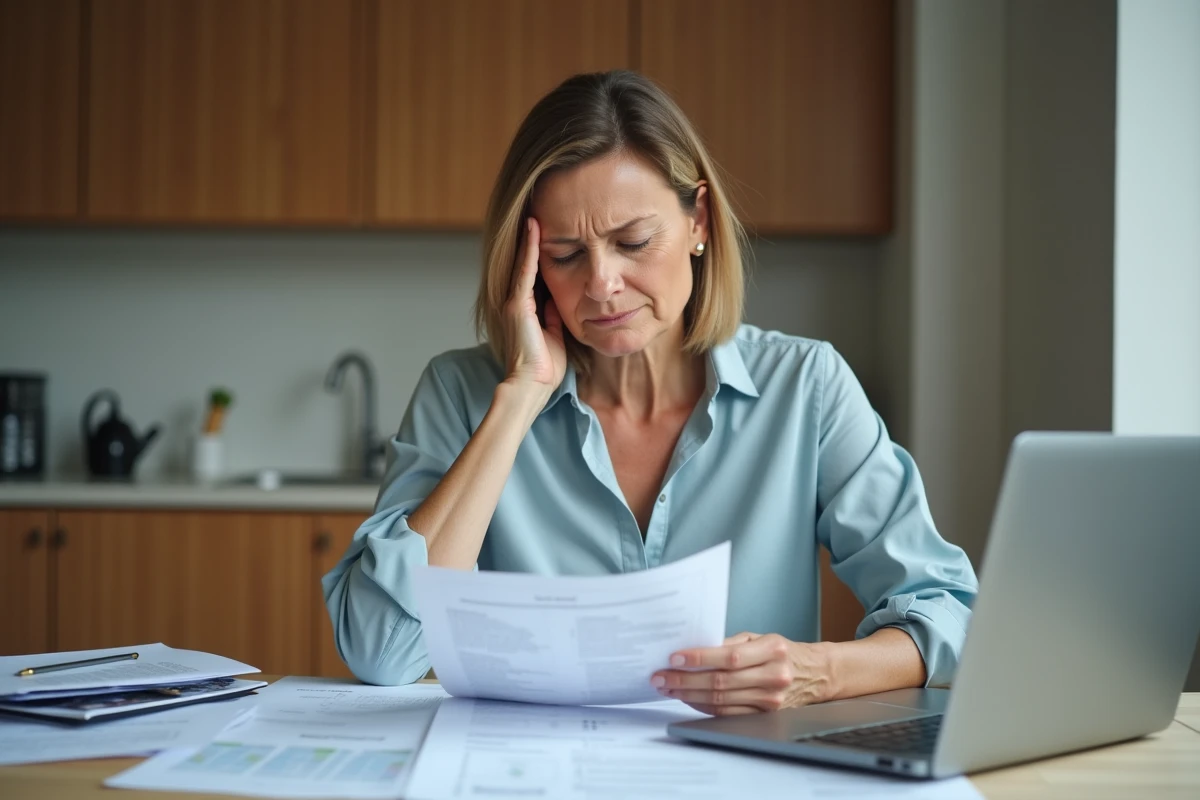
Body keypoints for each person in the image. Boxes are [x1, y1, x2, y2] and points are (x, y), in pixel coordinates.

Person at [323, 70, 977, 716]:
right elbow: (381, 650)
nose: (603, 283)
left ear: (699, 221)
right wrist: (520, 399)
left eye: (632, 241)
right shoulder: (462, 393)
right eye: (566, 253)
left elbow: (951, 611)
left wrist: (818, 672)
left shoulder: (806, 386)